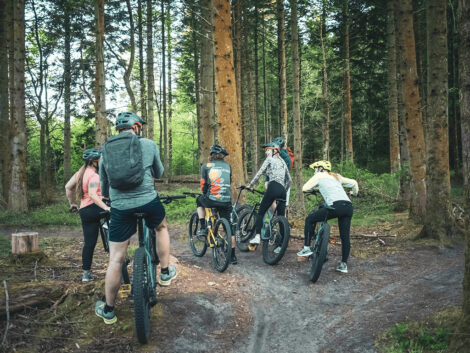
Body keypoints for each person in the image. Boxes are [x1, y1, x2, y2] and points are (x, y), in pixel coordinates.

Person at [95, 112, 175, 324]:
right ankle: (165, 272)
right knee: (161, 227)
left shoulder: (105, 150)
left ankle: (109, 310)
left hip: (121, 207)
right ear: (137, 127)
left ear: (118, 130)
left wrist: (112, 198)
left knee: (116, 258)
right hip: (149, 201)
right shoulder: (149, 144)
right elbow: (159, 172)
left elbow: (104, 187)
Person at [299, 160, 358, 274]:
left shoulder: (319, 175)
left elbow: (304, 188)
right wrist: (354, 193)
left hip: (335, 206)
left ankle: (306, 248)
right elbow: (354, 183)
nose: (314, 172)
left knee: (310, 219)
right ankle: (343, 264)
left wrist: (313, 190)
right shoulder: (337, 176)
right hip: (348, 206)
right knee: (345, 236)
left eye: (315, 169)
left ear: (320, 168)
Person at [65, 148, 111, 283]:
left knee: (89, 243)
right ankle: (118, 265)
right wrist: (106, 208)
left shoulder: (79, 174)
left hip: (85, 210)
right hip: (97, 208)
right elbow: (93, 194)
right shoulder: (94, 176)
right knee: (114, 235)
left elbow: (68, 187)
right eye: (99, 160)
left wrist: (72, 203)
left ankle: (86, 274)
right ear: (94, 162)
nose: (101, 162)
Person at [196, 144, 237, 264]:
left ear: (211, 155)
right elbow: (230, 180)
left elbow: (203, 184)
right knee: (228, 226)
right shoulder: (228, 166)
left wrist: (204, 193)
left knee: (199, 200)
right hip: (226, 200)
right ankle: (233, 256)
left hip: (211, 199)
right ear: (222, 156)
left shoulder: (206, 166)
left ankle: (203, 227)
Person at [248, 142, 292, 246]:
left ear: (274, 151)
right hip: (282, 191)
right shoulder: (283, 163)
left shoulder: (269, 159)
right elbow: (289, 180)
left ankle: (258, 237)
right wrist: (283, 190)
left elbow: (259, 172)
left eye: (268, 150)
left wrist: (250, 185)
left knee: (260, 212)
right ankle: (281, 243)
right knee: (281, 217)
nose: (266, 152)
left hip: (273, 187)